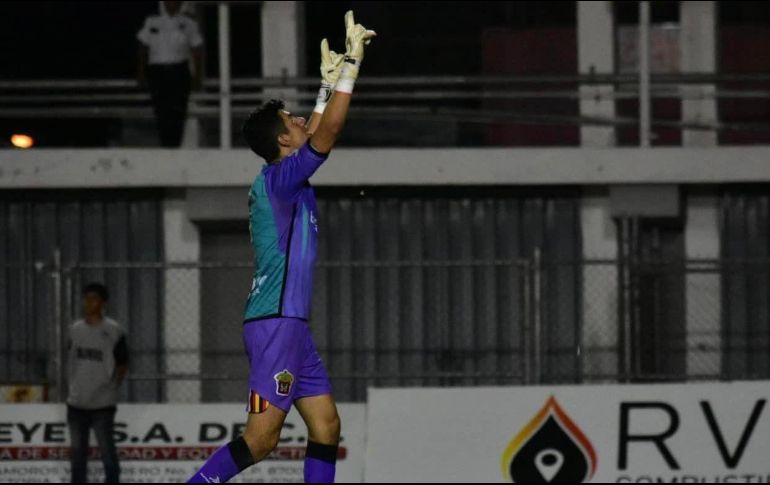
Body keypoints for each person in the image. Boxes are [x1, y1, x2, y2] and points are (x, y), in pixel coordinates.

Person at [186, 11, 375, 484]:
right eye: (291, 119)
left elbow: (310, 132)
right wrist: (350, 71)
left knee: (326, 424)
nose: (300, 121)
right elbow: (325, 136)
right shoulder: (281, 178)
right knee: (262, 439)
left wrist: (323, 91)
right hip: (277, 325)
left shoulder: (282, 176)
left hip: (288, 326)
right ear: (282, 140)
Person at [66, 283, 129, 484]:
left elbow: (123, 362)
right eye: (86, 298)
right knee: (78, 454)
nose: (88, 303)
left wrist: (111, 386)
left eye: (93, 299)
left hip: (102, 403)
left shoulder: (113, 330)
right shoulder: (75, 330)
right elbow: (71, 358)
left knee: (107, 452)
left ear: (103, 303)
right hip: (77, 402)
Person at [136, 1, 203, 147]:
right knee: (161, 112)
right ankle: (165, 147)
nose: (171, 4)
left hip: (179, 71)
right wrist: (141, 74)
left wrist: (197, 77)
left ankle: (174, 147)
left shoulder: (188, 23)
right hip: (157, 72)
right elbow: (142, 48)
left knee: (178, 113)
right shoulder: (152, 21)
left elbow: (197, 51)